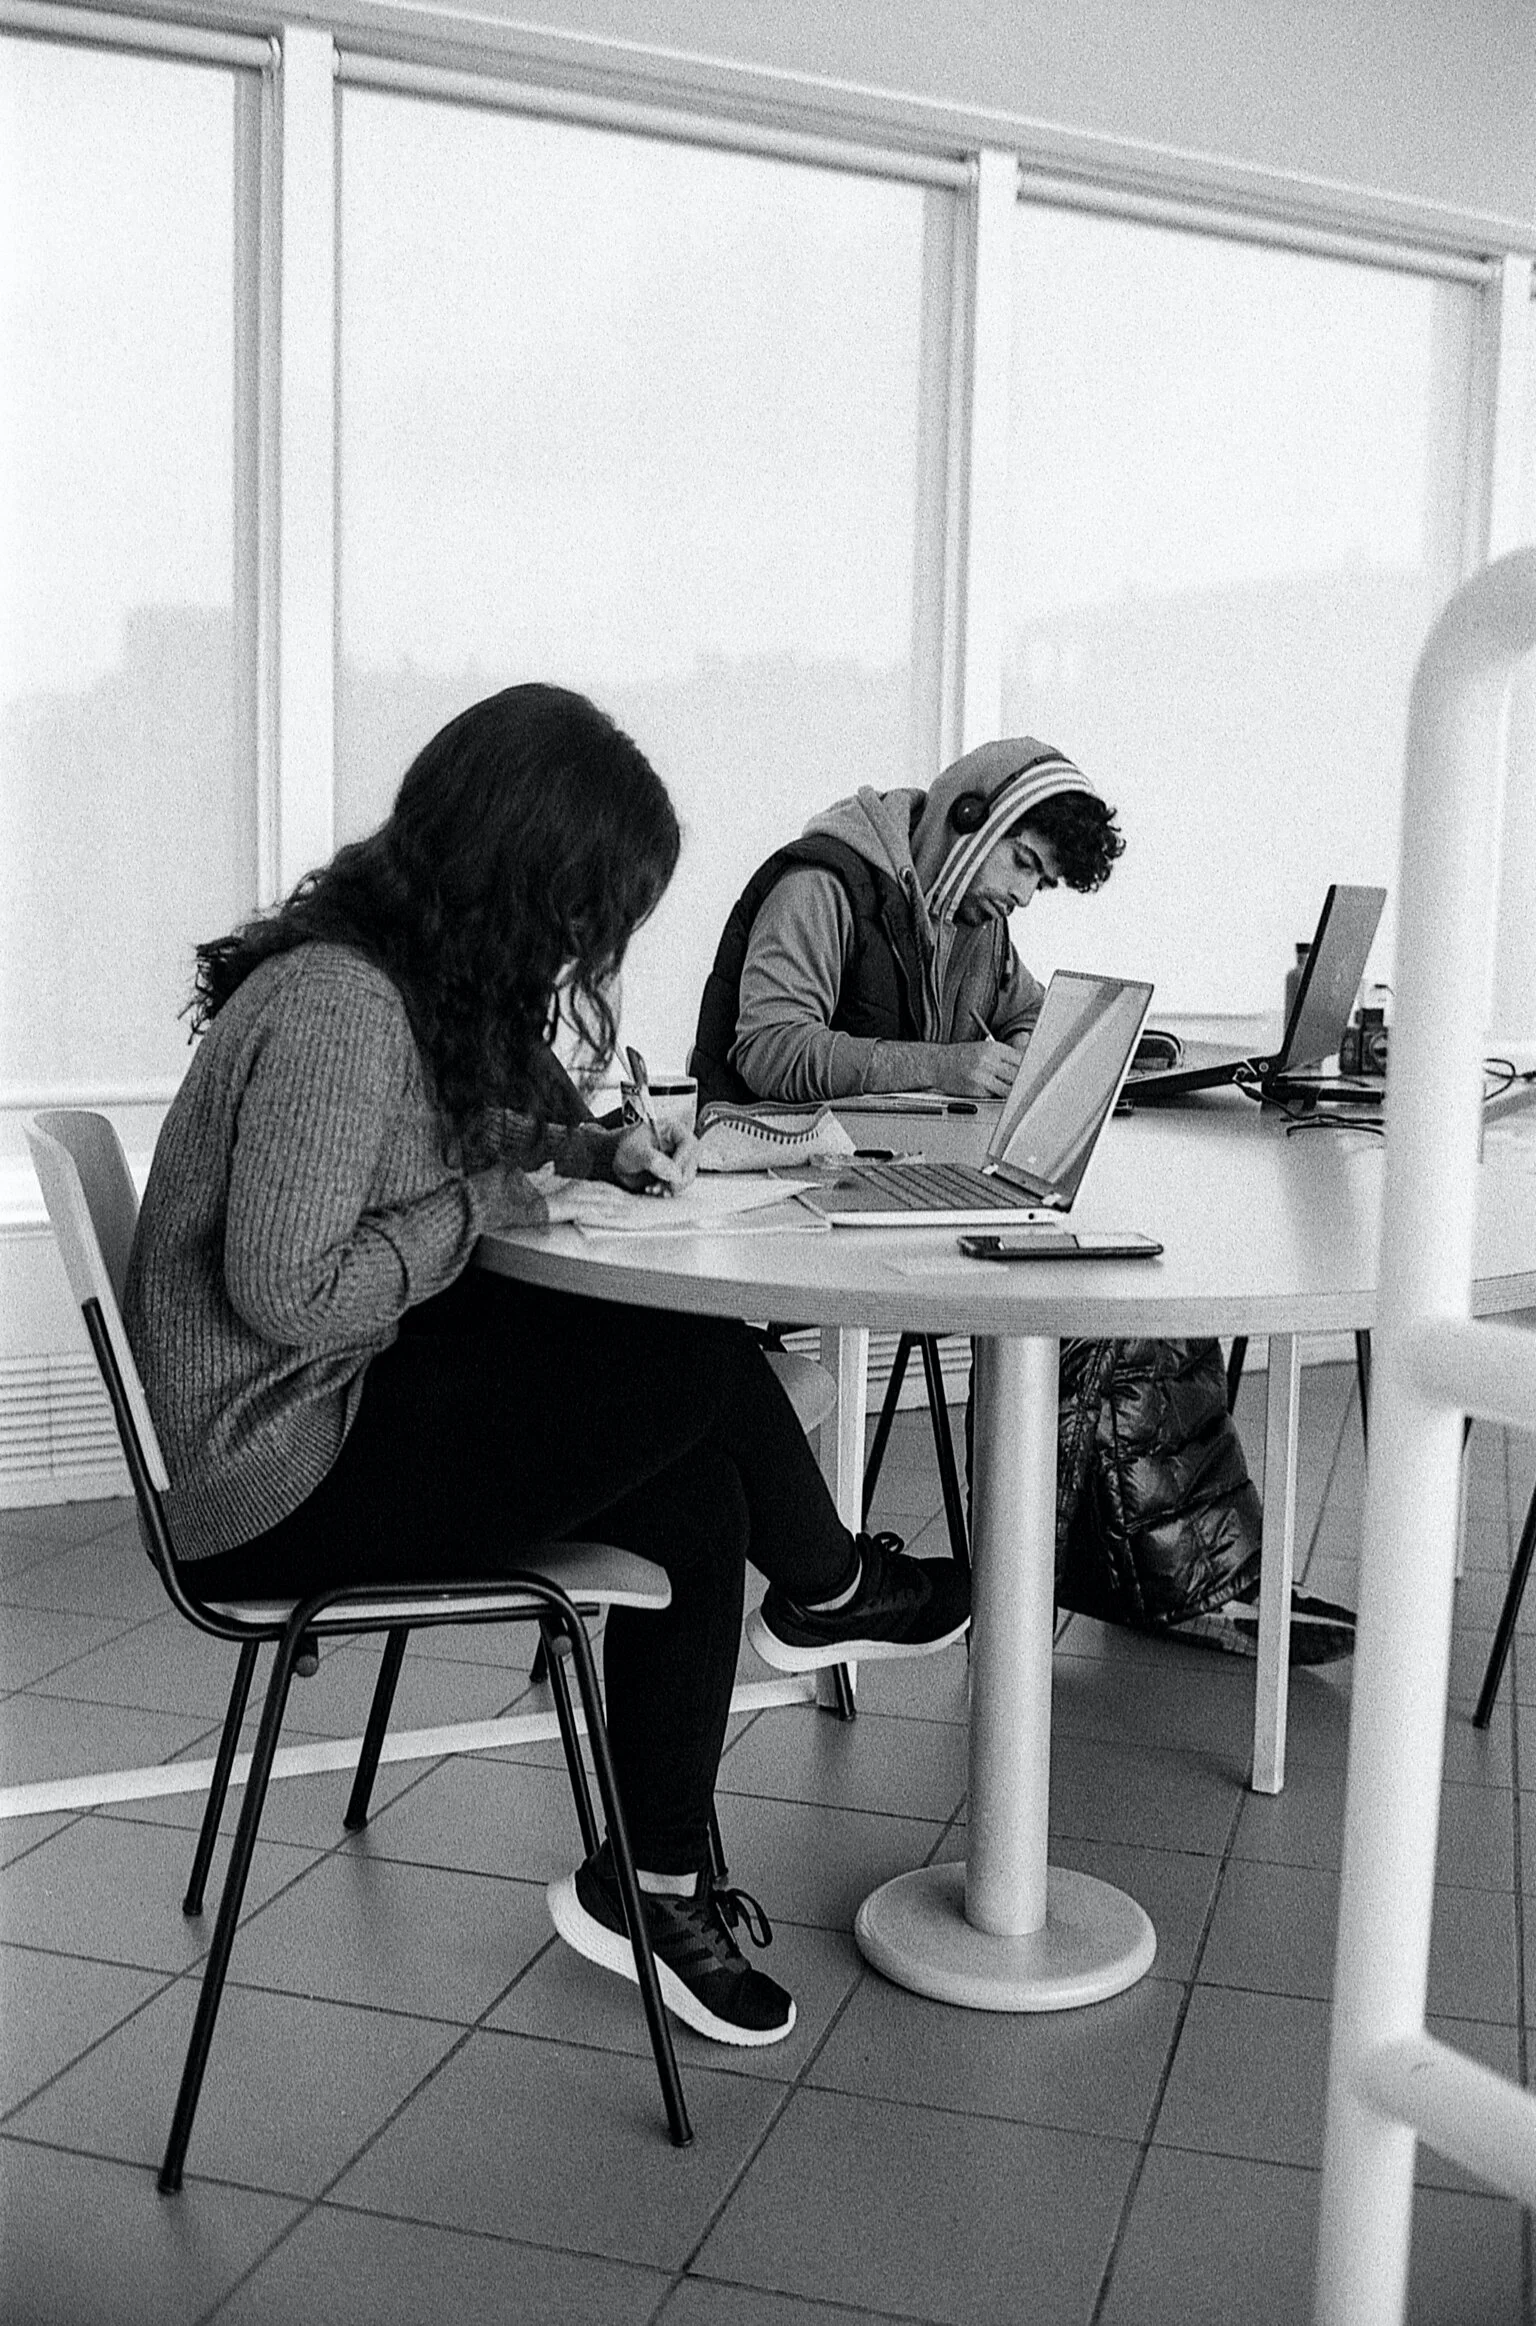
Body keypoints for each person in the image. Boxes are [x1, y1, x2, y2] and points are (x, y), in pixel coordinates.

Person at [122, 683, 970, 2053]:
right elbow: (286, 1292)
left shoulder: (383, 973)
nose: (586, 946)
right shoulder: (340, 1006)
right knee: (688, 1365)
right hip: (277, 1479)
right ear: (520, 879)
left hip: (330, 1408)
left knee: (692, 1480)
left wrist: (580, 1152)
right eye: (586, 913)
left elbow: (438, 1134)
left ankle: (656, 1875)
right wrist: (484, 1204)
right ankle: (827, 1589)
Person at [691, 736, 1353, 1664]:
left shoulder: (974, 920)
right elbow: (768, 1051)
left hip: (879, 1183)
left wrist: (1095, 1055)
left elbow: (1026, 1016)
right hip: (775, 1198)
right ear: (972, 821)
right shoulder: (821, 887)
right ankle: (1158, 1577)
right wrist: (942, 1064)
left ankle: (1165, 1573)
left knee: (1121, 1267)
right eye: (1026, 864)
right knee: (1083, 1283)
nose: (1026, 894)